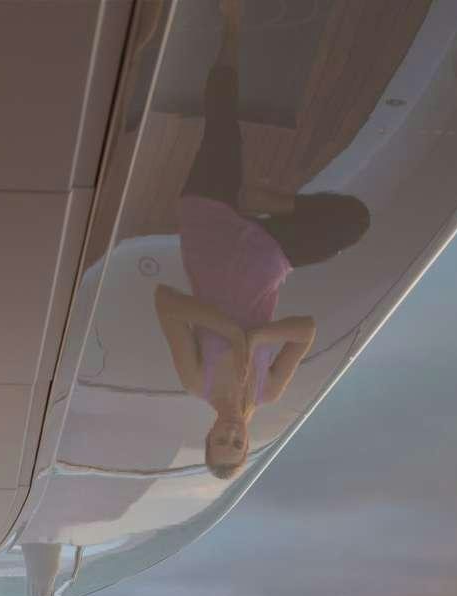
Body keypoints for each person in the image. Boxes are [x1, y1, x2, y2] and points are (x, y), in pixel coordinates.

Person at [154, 0, 368, 479]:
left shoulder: (196, 381)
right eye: (238, 444)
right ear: (247, 446)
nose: (231, 435)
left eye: (220, 442)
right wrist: (256, 338)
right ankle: (270, 202)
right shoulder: (269, 390)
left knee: (221, 122)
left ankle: (230, 24)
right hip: (269, 252)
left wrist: (230, 333)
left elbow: (166, 303)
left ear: (209, 437)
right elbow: (306, 329)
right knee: (352, 222)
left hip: (210, 229)